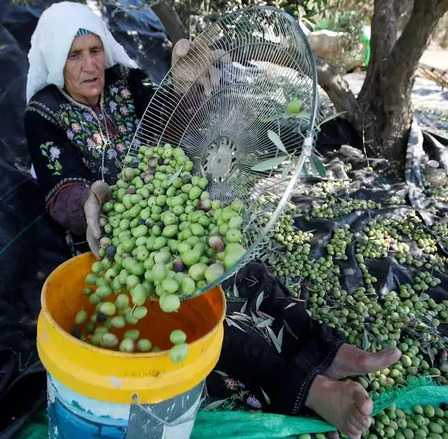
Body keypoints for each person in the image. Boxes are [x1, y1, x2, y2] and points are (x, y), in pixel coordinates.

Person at [24, 3, 401, 438]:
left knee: (248, 270)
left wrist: (185, 86)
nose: (91, 65)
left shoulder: (127, 81)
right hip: (109, 242)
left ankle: (327, 349)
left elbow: (175, 130)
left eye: (95, 50)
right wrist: (89, 202)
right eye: (75, 55)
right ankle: (311, 389)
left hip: (172, 211)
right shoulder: (44, 112)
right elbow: (61, 189)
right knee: (198, 312)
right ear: (56, 59)